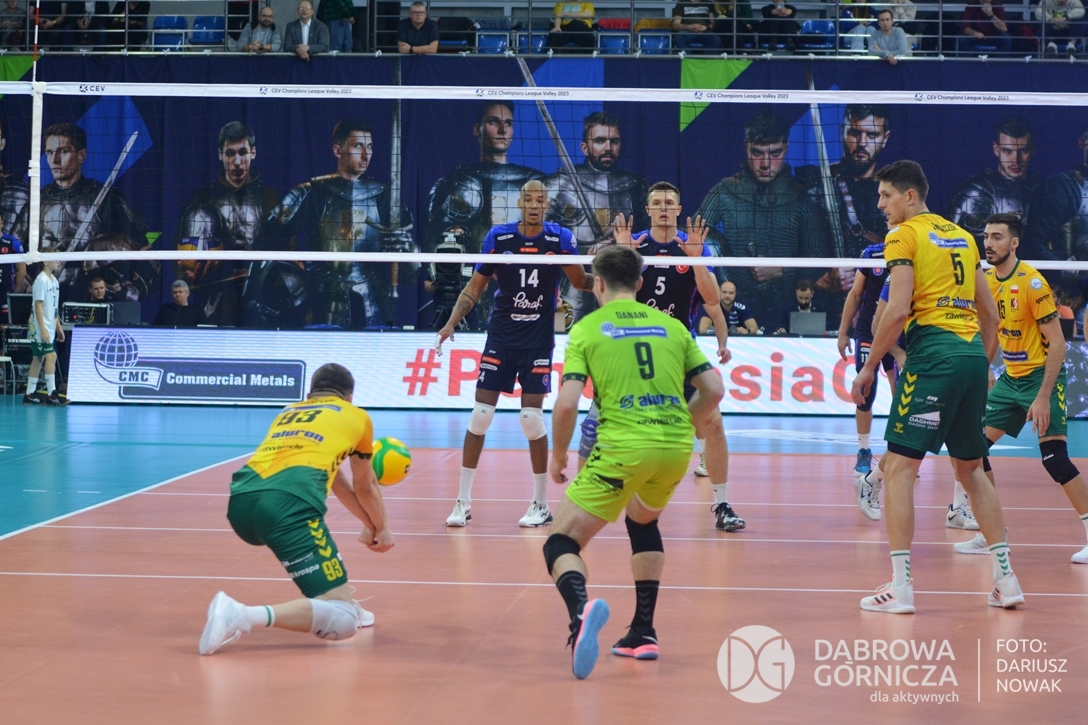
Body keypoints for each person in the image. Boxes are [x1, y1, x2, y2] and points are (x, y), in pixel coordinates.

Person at [545, 244, 725, 679]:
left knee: (560, 542)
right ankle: (643, 632)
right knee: (643, 522)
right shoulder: (672, 326)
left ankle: (580, 613)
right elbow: (714, 390)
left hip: (624, 446)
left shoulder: (587, 329)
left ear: (597, 285)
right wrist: (686, 421)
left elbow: (567, 404)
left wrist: (559, 455)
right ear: (641, 283)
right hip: (675, 447)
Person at [851, 160, 1023, 613]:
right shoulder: (964, 237)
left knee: (899, 470)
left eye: (886, 195)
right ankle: (1007, 581)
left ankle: (901, 588)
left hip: (932, 356)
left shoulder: (902, 236)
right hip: (971, 358)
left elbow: (896, 310)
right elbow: (990, 315)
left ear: (910, 196)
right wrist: (981, 363)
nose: (880, 204)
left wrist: (869, 366)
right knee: (971, 470)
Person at [198, 363, 393, 655]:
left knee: (332, 592)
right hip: (287, 507)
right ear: (349, 398)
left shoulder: (289, 411)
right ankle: (240, 614)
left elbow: (337, 482)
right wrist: (382, 528)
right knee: (343, 621)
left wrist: (371, 525)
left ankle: (339, 597)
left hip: (241, 504)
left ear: (309, 395)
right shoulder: (357, 416)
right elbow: (365, 486)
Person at [582, 182, 739, 532]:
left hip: (678, 349)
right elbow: (609, 301)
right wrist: (624, 259)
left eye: (670, 202)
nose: (664, 207)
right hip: (634, 348)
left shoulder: (693, 246)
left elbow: (712, 300)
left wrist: (696, 259)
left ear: (679, 209)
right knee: (598, 429)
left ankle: (722, 504)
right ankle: (597, 496)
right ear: (649, 209)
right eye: (658, 203)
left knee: (713, 422)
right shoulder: (634, 244)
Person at [435, 180, 590, 529]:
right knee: (480, 416)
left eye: (540, 200)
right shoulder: (499, 237)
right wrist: (450, 324)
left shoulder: (559, 239)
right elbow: (474, 287)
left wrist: (622, 280)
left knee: (531, 419)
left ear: (547, 205)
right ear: (519, 203)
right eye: (528, 199)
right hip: (501, 337)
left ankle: (540, 504)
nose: (534, 205)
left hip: (537, 341)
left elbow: (582, 282)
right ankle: (463, 502)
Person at [947, 214, 1088, 564]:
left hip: (1042, 378)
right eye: (986, 236)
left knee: (1054, 458)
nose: (988, 243)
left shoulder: (1032, 283)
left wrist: (1042, 398)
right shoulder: (986, 281)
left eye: (997, 237)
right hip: (1010, 379)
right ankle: (992, 532)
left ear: (1014, 243)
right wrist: (983, 370)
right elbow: (991, 329)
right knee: (971, 451)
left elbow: (1058, 344)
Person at [263, 119, 413, 329]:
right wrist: (294, 271)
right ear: (337, 150)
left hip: (375, 304)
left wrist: (405, 250)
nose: (366, 154)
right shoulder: (311, 192)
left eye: (369, 146)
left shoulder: (385, 196)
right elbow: (268, 239)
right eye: (357, 146)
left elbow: (411, 273)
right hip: (321, 303)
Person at [699, 111, 828, 326]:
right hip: (735, 311)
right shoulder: (725, 191)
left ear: (786, 148)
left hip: (790, 313)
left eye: (775, 153)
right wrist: (721, 256)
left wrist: (780, 270)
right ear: (746, 147)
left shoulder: (802, 199)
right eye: (757, 153)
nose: (766, 163)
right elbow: (694, 237)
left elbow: (819, 260)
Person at [13, 122, 155, 302]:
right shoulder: (37, 201)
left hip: (90, 295)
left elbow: (145, 246)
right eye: (49, 152)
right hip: (46, 292)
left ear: (81, 155)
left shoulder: (104, 197)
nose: (55, 159)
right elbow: (13, 246)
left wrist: (126, 288)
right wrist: (22, 278)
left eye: (63, 151)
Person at [428, 102, 544, 321]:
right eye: (493, 122)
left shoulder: (535, 182)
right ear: (476, 129)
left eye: (508, 123)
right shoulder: (456, 182)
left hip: (525, 292)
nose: (502, 130)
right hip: (468, 295)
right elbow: (436, 249)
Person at [544, 111, 649, 322]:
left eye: (614, 141)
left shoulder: (636, 187)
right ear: (584, 147)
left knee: (621, 340)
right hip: (568, 295)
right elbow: (537, 239)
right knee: (564, 340)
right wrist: (584, 252)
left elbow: (650, 241)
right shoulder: (559, 184)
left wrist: (628, 250)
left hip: (622, 292)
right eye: (600, 141)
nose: (608, 147)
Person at [175, 122, 281, 326]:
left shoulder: (270, 199)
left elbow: (288, 251)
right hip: (215, 303)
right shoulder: (201, 199)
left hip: (262, 303)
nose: (237, 162)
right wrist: (190, 273)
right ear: (220, 155)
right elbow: (181, 260)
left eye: (243, 152)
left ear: (253, 153)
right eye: (230, 153)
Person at [798, 104, 893, 261]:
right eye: (855, 133)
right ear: (842, 132)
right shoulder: (815, 183)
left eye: (872, 135)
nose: (862, 143)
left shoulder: (894, 191)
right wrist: (824, 273)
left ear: (885, 138)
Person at [837, 242, 899, 480]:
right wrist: (842, 333)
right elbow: (855, 294)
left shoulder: (914, 250)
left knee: (900, 393)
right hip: (868, 331)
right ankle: (863, 451)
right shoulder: (872, 253)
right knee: (865, 390)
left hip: (897, 332)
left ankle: (898, 454)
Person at [947, 115, 1040, 254]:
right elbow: (946, 242)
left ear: (1033, 150)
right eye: (1007, 151)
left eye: (1023, 151)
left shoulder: (1046, 190)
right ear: (996, 149)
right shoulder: (974, 191)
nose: (1015, 160)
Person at [24, 260, 67, 405]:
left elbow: (54, 307)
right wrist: (42, 329)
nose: (58, 262)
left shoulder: (54, 280)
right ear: (46, 261)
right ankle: (51, 394)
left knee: (39, 357)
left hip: (49, 325)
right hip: (39, 326)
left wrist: (59, 327)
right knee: (51, 356)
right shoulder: (41, 280)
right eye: (55, 259)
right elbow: (37, 306)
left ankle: (29, 394)